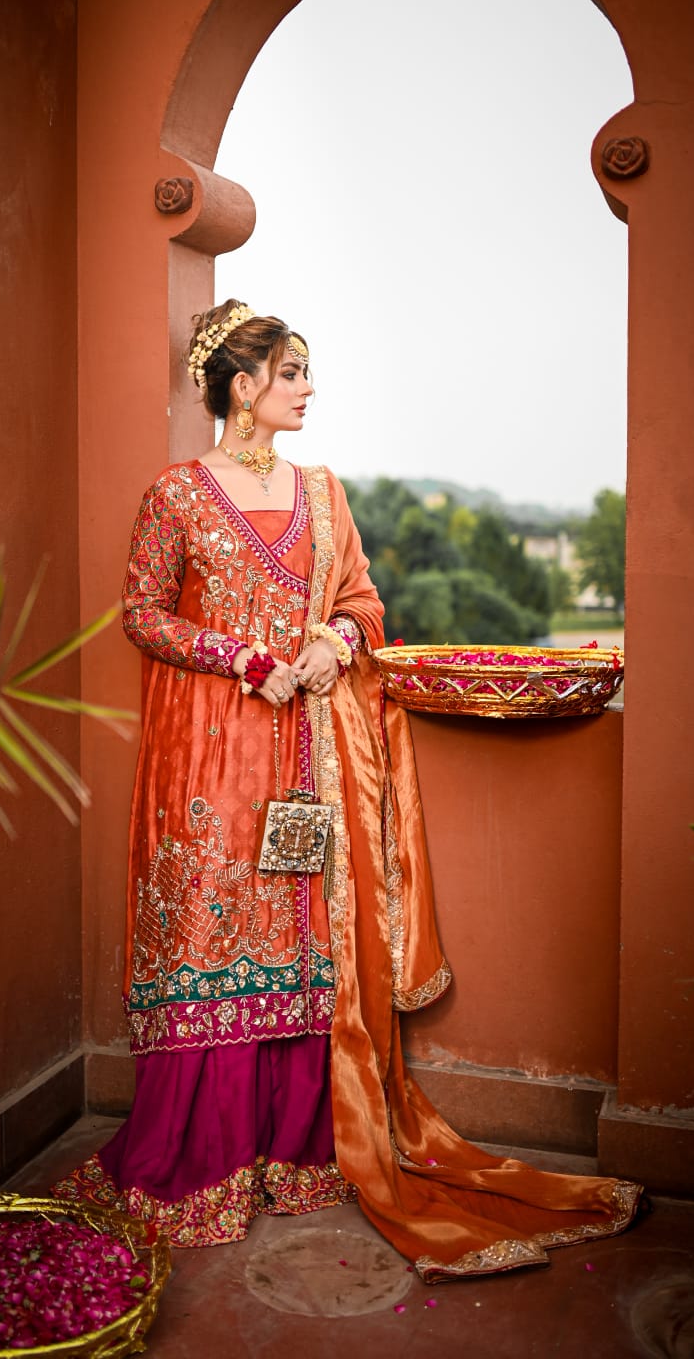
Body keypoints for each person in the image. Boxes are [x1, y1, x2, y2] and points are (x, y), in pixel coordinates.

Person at [55, 300, 641, 1280]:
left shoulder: (324, 495)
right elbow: (142, 616)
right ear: (241, 386)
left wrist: (333, 641)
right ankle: (203, 1163)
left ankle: (298, 1153)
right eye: (292, 374)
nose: (309, 390)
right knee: (214, 938)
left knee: (301, 946)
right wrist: (243, 656)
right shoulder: (177, 496)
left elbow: (364, 602)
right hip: (208, 762)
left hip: (308, 766)